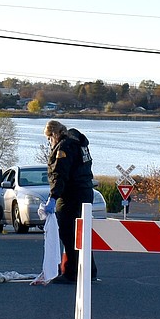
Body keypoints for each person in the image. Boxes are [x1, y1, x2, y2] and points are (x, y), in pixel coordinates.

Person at [43, 120, 97, 284]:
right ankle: (90, 270)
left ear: (53, 135)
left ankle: (72, 272)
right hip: (85, 192)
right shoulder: (80, 144)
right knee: (82, 234)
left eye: (49, 139)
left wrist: (53, 197)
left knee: (68, 233)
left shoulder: (64, 147)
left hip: (70, 195)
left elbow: (60, 174)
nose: (49, 143)